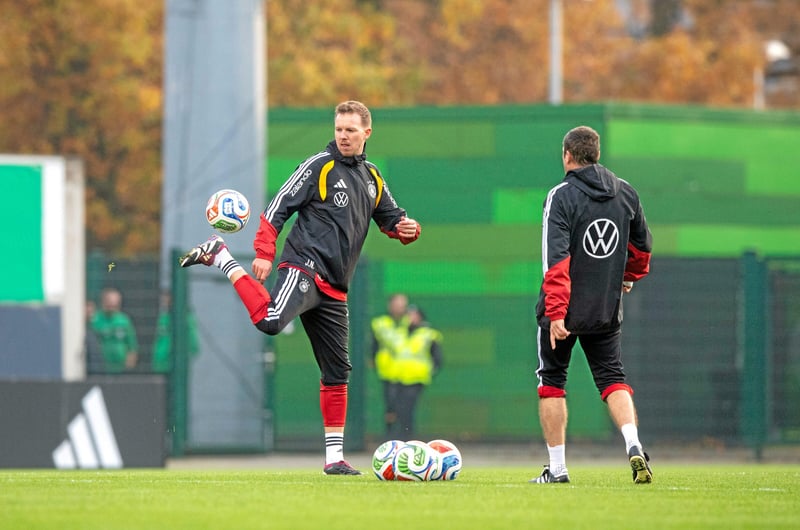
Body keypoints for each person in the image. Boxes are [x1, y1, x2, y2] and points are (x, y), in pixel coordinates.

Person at [179, 100, 421, 475]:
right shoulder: (317, 166)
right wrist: (263, 251)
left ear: (366, 133)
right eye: (339, 129)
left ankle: (334, 460)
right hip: (304, 267)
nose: (342, 136)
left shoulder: (373, 178)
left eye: (350, 130)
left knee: (337, 372)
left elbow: (393, 219)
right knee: (272, 320)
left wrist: (408, 229)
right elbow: (277, 206)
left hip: (336, 288)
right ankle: (222, 256)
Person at [532, 125, 653, 484]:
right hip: (605, 308)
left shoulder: (561, 196)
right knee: (613, 378)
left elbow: (555, 260)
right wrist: (629, 277)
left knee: (551, 382)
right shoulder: (626, 193)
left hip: (564, 312)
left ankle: (557, 470)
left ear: (567, 155)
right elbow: (642, 250)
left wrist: (555, 313)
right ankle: (633, 444)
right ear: (596, 154)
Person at [390, 305, 442, 439]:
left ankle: (407, 436)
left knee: (407, 408)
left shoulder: (429, 334)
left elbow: (438, 359)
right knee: (396, 407)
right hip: (399, 377)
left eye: (413, 314)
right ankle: (399, 436)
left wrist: (428, 372)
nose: (410, 318)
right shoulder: (401, 332)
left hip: (416, 378)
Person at [370, 293, 411, 436]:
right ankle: (390, 436)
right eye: (397, 304)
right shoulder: (381, 323)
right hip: (389, 372)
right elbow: (374, 345)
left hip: (409, 373)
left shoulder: (411, 322)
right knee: (391, 407)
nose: (400, 308)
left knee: (407, 407)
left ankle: (407, 436)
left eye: (403, 305)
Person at [90, 287, 139, 373]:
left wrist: (129, 367)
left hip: (121, 369)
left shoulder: (124, 320)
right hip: (101, 369)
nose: (112, 304)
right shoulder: (95, 320)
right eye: (109, 301)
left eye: (115, 301)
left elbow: (132, 346)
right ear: (103, 301)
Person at [151, 291, 200, 374]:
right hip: (160, 364)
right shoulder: (163, 318)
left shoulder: (186, 318)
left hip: (175, 364)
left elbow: (193, 344)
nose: (164, 302)